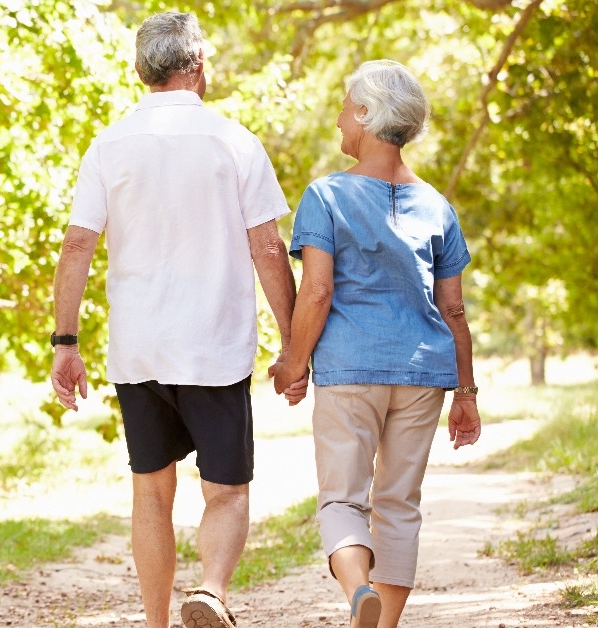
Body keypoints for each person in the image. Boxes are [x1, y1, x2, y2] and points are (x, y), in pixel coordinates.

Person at [50, 11, 299, 628]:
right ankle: (211, 591)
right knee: (227, 491)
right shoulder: (234, 141)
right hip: (213, 348)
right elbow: (268, 248)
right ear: (198, 67)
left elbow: (77, 246)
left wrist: (65, 342)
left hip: (139, 350)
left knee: (151, 492)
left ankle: (156, 623)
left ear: (142, 71)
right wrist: (296, 343)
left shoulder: (108, 145)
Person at [272, 60, 483, 628]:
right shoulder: (438, 206)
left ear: (365, 115)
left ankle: (358, 592)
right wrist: (467, 391)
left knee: (342, 500)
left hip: (349, 371)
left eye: (346, 105)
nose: (340, 118)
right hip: (423, 376)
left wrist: (292, 364)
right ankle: (382, 624)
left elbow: (316, 291)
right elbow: (454, 309)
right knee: (398, 506)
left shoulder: (326, 196)